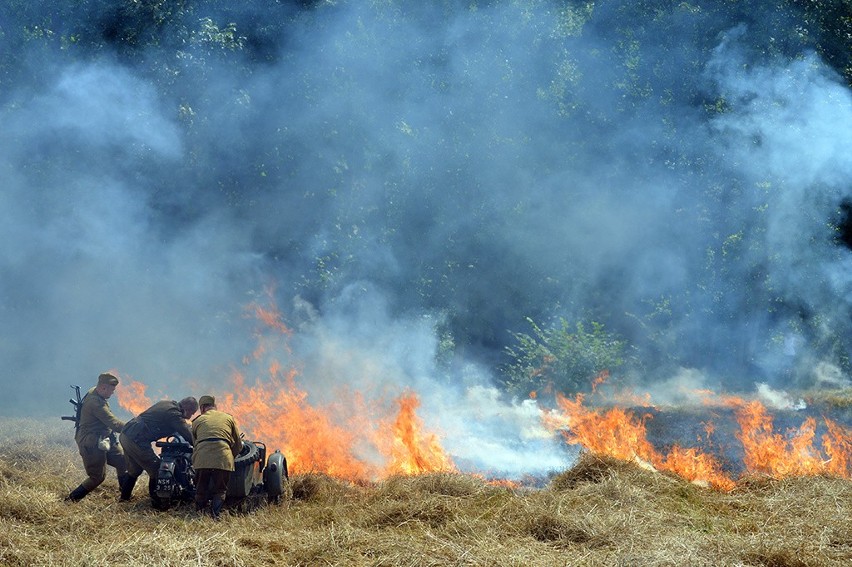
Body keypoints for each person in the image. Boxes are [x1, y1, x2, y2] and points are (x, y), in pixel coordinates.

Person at [118, 396, 198, 504]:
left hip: (126, 434)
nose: (190, 416)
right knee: (156, 469)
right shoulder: (174, 414)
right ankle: (156, 501)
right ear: (187, 408)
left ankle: (124, 498)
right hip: (136, 439)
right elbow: (185, 432)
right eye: (192, 413)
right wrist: (198, 446)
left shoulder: (167, 403)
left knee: (135, 470)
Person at [66, 372, 129, 502]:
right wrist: (133, 428)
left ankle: (125, 497)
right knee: (97, 477)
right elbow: (114, 423)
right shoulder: (95, 403)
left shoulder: (95, 391)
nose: (112, 393)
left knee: (123, 461)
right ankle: (71, 500)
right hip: (91, 442)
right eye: (111, 390)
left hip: (104, 438)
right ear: (103, 387)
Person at [191, 395, 243, 520]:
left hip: (202, 459)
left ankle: (200, 514)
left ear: (202, 407)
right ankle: (215, 515)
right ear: (215, 406)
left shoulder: (197, 421)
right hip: (223, 457)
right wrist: (230, 457)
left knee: (200, 489)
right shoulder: (229, 418)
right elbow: (238, 444)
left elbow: (195, 444)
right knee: (220, 490)